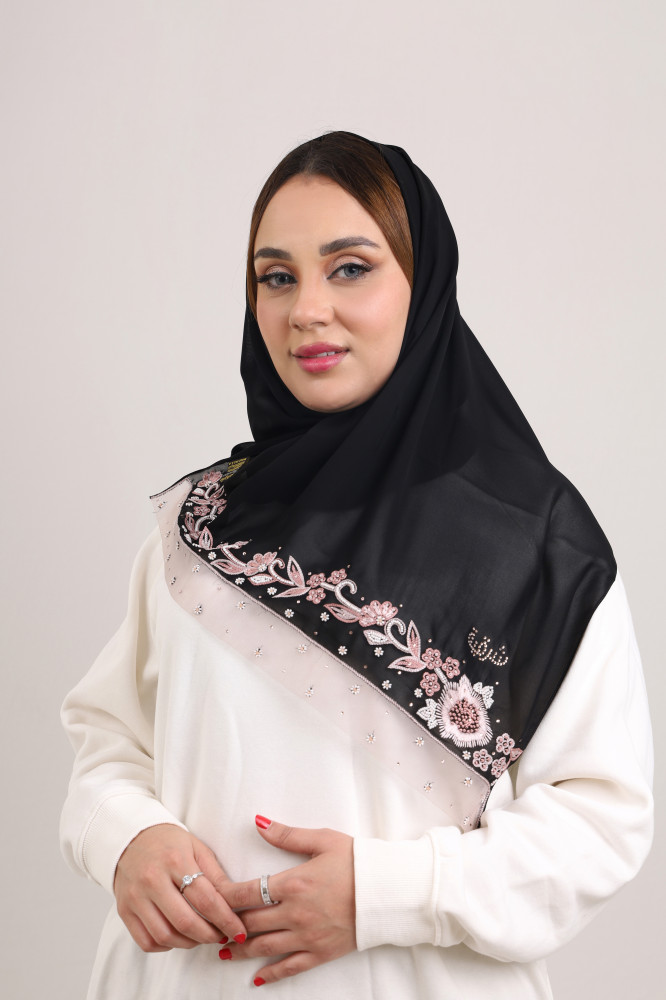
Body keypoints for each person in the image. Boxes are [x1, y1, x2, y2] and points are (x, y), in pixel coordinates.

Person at [60, 132, 654, 1000]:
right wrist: (125, 837)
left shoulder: (537, 548)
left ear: (424, 283)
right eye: (276, 277)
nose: (306, 309)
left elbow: (600, 823)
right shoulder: (201, 527)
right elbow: (107, 743)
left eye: (349, 269)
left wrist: (383, 896)